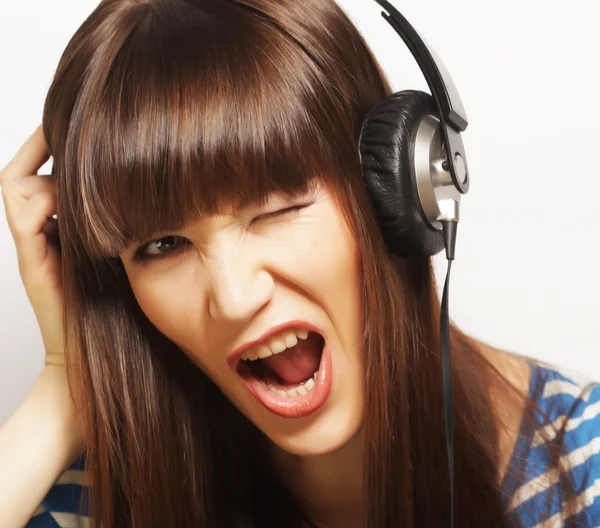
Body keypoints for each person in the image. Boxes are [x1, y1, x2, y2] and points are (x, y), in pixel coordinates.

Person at [0, 0, 599, 526]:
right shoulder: (96, 503)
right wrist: (61, 384)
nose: (234, 298)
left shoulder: (585, 470)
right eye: (162, 246)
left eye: (275, 208)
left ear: (397, 189)